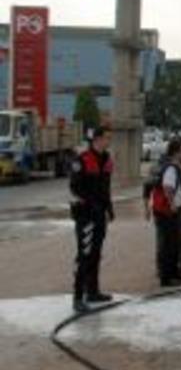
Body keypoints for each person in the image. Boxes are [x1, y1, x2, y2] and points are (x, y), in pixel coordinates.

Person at [69, 126, 115, 312]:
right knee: (84, 255)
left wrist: (109, 208)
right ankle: (78, 297)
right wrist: (90, 203)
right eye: (106, 138)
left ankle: (93, 292)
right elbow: (74, 187)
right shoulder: (82, 160)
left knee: (96, 253)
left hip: (100, 215)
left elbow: (106, 187)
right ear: (96, 139)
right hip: (85, 215)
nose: (109, 141)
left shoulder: (107, 160)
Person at [144, 136, 181, 279]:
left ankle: (180, 269)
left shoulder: (176, 164)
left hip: (170, 208)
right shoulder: (166, 166)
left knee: (178, 240)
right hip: (165, 210)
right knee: (166, 242)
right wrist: (147, 206)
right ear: (177, 150)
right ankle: (165, 272)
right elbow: (149, 186)